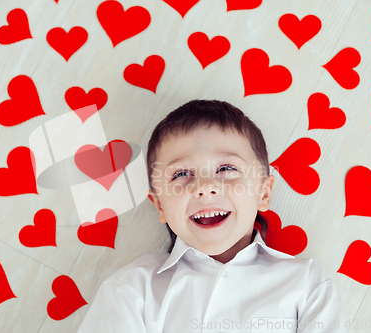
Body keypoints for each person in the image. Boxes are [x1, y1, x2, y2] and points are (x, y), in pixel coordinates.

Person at [76, 99, 346, 333]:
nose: (205, 187)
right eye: (182, 174)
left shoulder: (306, 283)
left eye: (227, 168)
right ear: (159, 206)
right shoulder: (132, 290)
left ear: (264, 193)